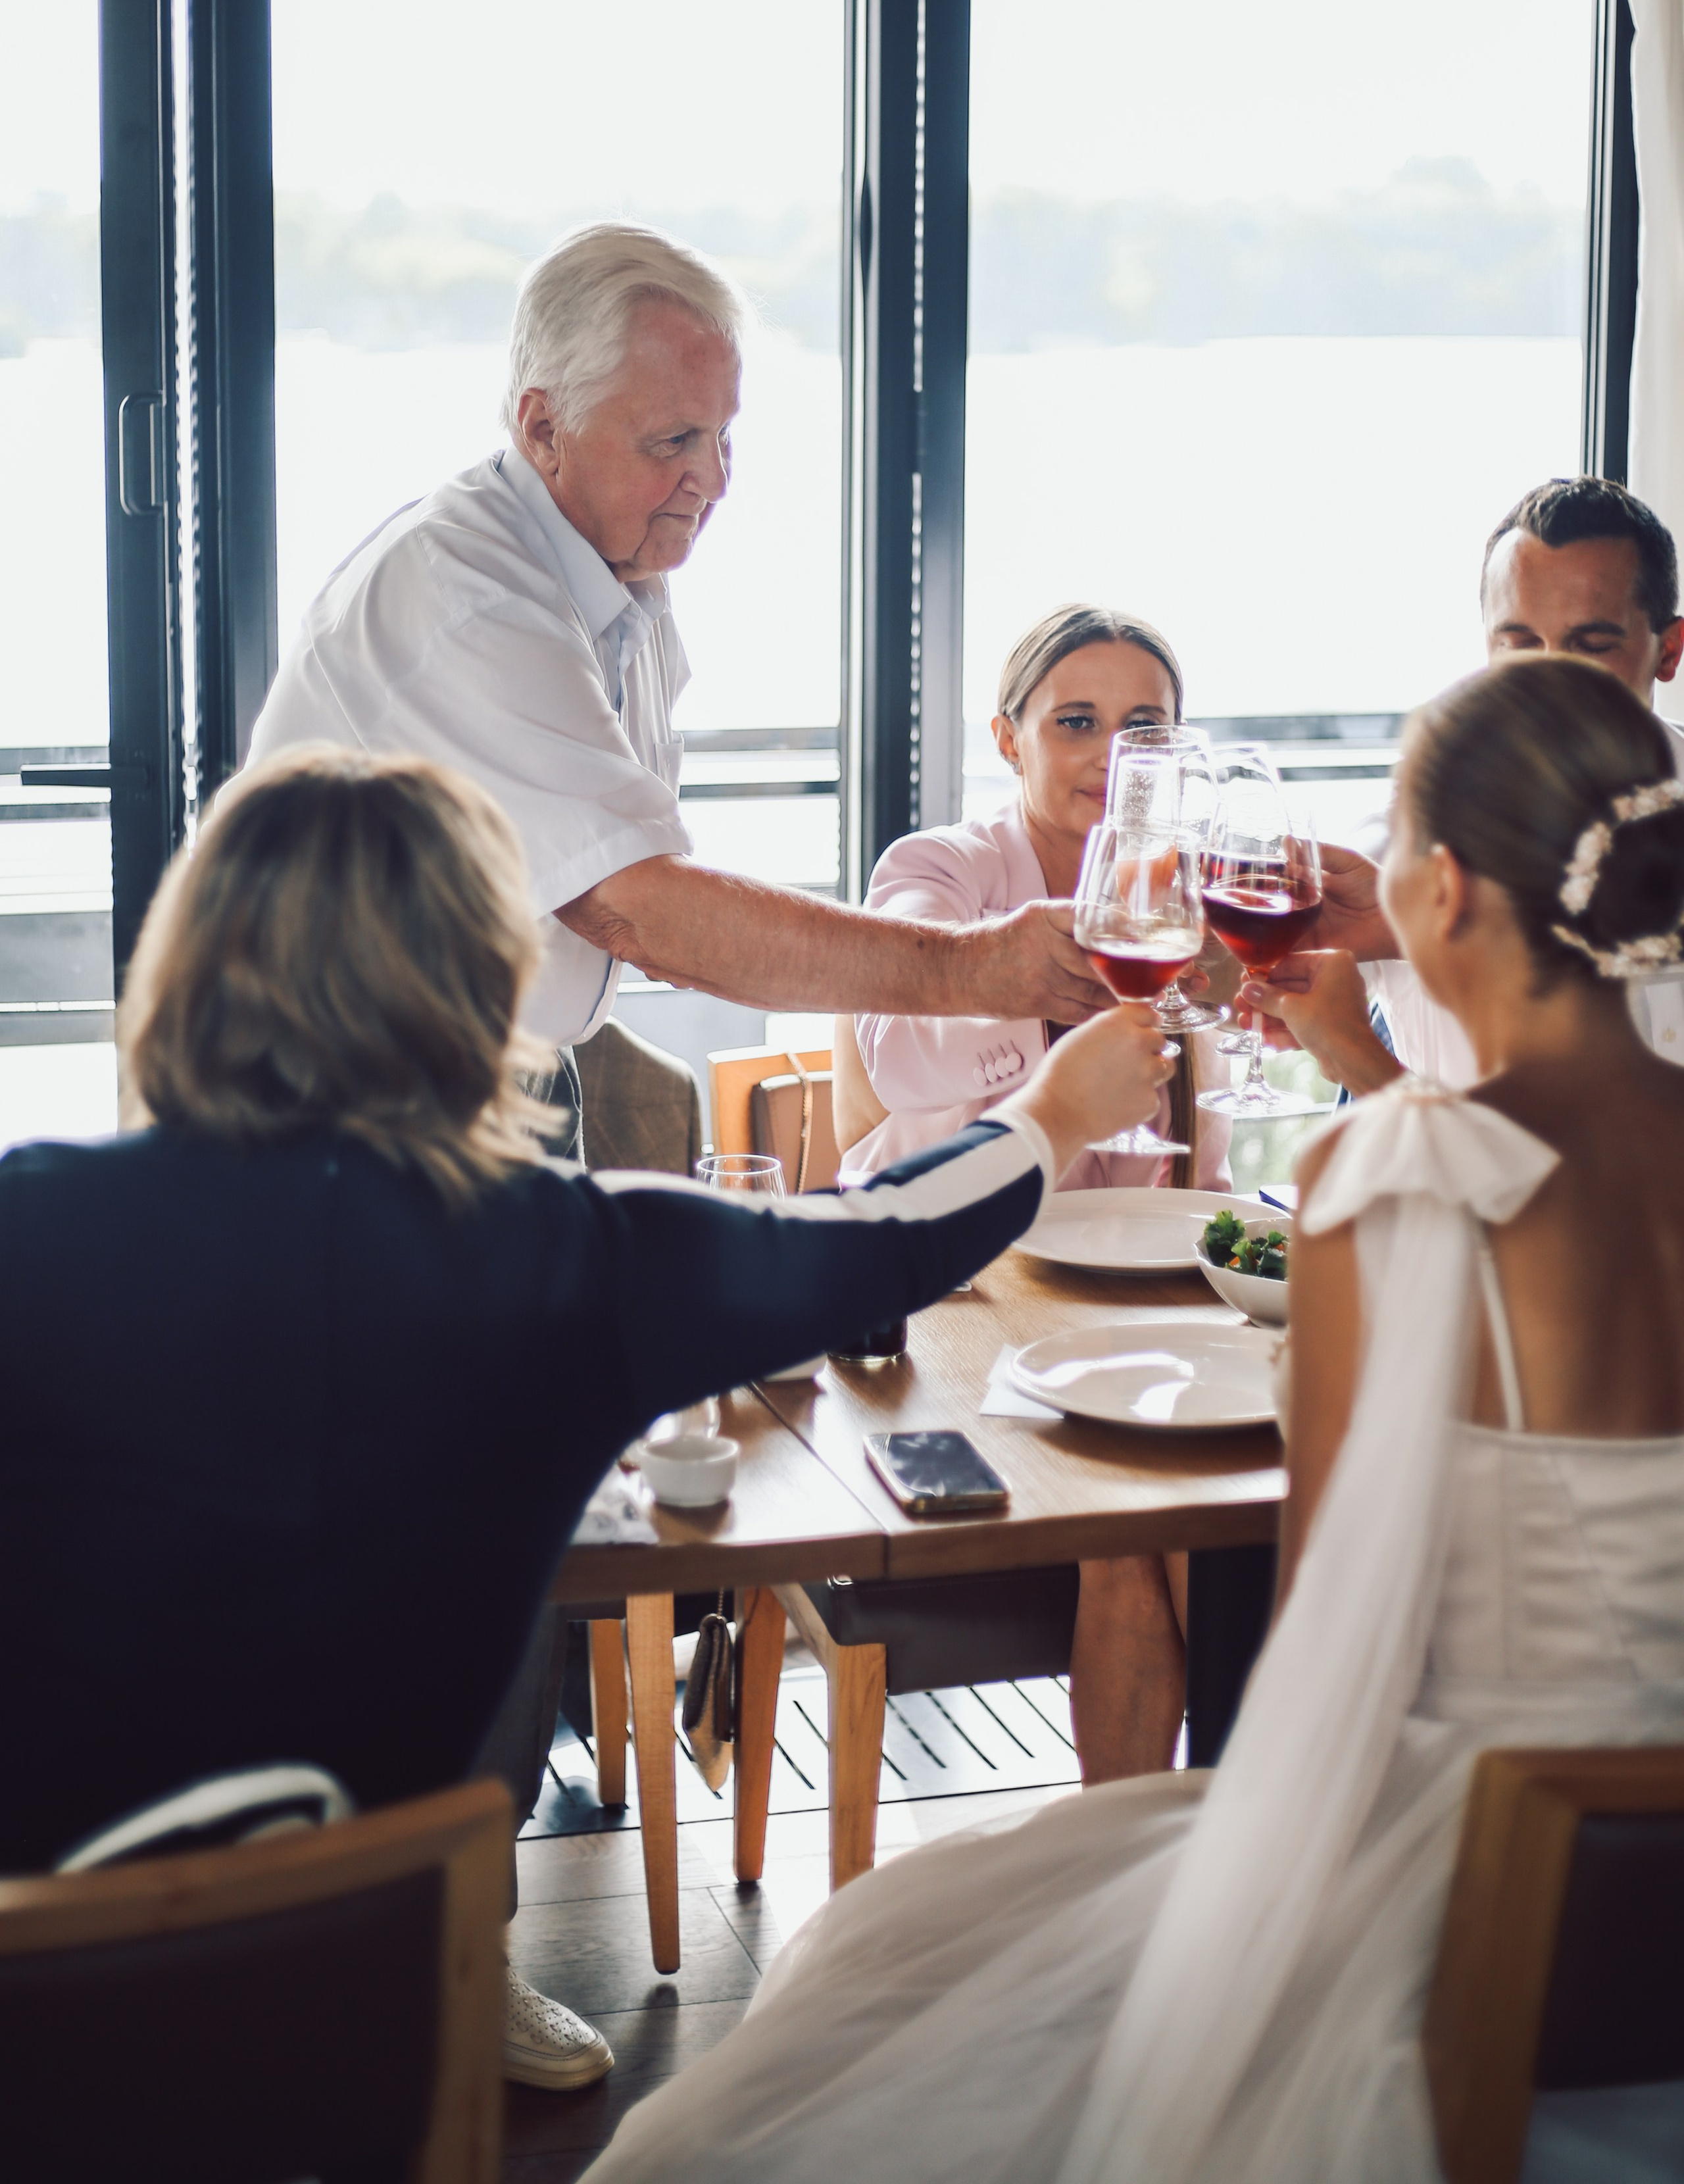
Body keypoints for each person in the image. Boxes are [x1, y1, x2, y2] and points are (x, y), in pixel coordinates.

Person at [580, 654, 1684, 2184]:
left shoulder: (1385, 1181)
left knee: (887, 1955)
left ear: (1436, 892)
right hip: (1651, 1905)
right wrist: (1359, 1058)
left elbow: (1322, 1627)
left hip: (1487, 1876)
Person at [0, 746, 1172, 2089]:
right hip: (365, 2021)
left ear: (188, 964)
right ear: (481, 984)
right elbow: (882, 1235)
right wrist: (1049, 1112)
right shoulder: (565, 1257)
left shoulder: (28, 1220)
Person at [249, 222, 1106, 1153]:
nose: (716, 479)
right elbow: (639, 911)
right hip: (340, 1113)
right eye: (674, 441)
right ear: (543, 428)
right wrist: (974, 968)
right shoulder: (468, 598)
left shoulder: (620, 572)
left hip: (497, 1079)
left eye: (723, 433)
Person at [837, 604, 1234, 1784]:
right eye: (1076, 722)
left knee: (1229, 1514)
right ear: (1008, 739)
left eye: (1142, 727)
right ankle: (1157, 1847)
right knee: (1143, 1521)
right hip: (959, 1297)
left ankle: (1224, 1835)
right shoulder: (937, 870)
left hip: (1134, 1297)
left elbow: (1203, 1162)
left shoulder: (1194, 897)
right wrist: (1050, 1015)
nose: (1112, 755)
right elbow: (897, 1058)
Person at [1255, 476, 1684, 1096]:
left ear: (1668, 651)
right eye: (1519, 644)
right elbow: (1234, 986)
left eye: (1590, 646)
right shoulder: (1407, 831)